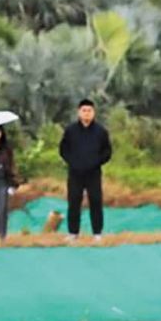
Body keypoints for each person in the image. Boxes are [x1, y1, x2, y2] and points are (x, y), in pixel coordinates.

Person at [59, 98, 113, 240]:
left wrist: (96, 162)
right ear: (79, 112)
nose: (87, 113)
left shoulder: (101, 132)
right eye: (84, 110)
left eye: (89, 110)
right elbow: (63, 149)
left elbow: (107, 152)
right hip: (75, 173)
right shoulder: (70, 131)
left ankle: (97, 233)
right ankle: (73, 233)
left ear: (93, 112)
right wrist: (72, 162)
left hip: (93, 173)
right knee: (74, 202)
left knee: (95, 201)